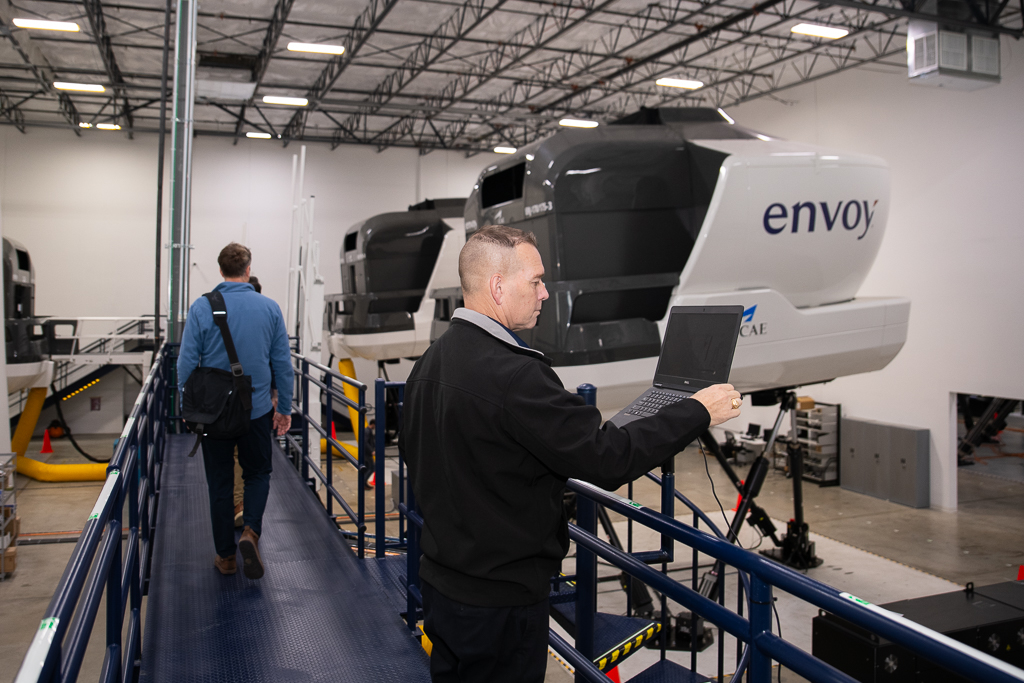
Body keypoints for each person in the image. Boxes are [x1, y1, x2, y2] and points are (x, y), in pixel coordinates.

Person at [402, 225, 741, 682]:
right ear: (498, 287)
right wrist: (697, 411)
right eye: (536, 281)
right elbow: (608, 458)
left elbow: (425, 456)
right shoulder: (516, 375)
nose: (544, 293)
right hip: (501, 603)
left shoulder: (430, 362)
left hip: (443, 586)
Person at [178, 243, 293, 580]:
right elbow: (283, 365)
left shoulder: (202, 307)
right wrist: (284, 408)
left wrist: (188, 407)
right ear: (248, 269)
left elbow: (186, 363)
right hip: (255, 411)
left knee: (219, 483)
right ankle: (251, 532)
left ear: (220, 270)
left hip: (213, 414)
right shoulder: (269, 307)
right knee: (257, 473)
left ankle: (226, 557)